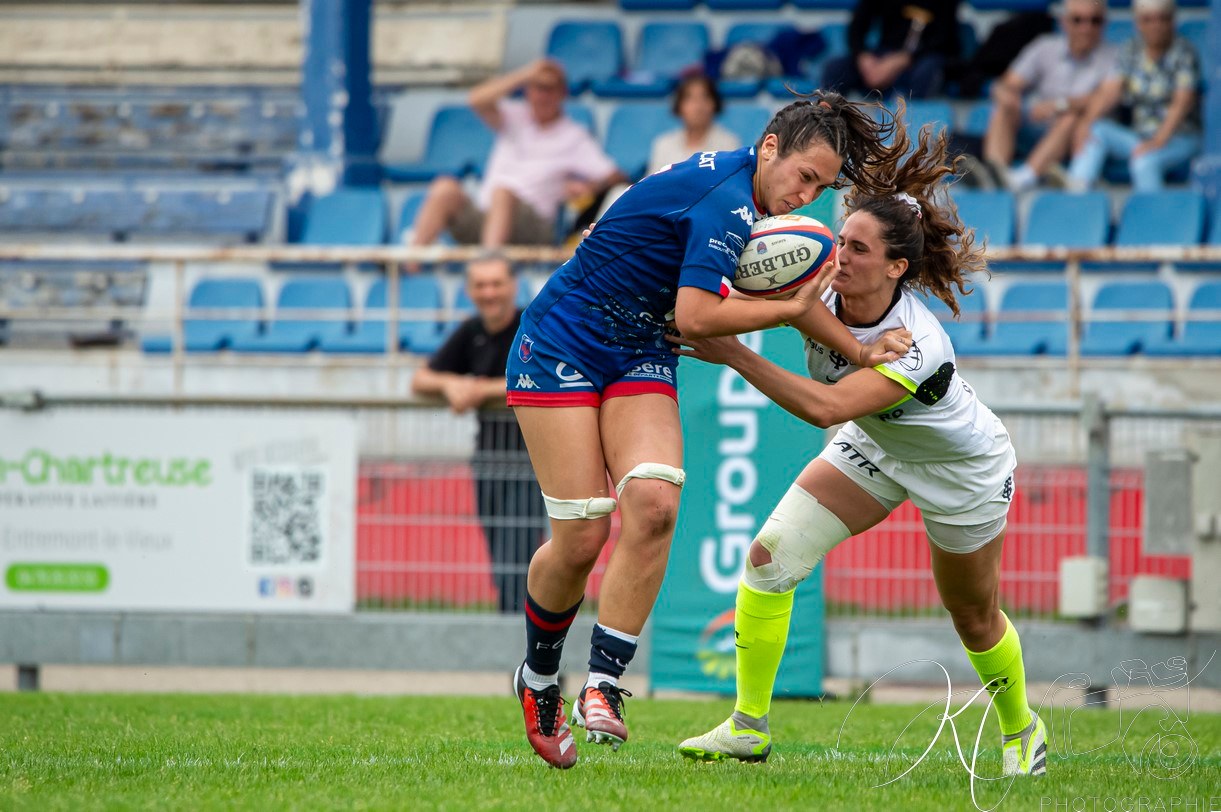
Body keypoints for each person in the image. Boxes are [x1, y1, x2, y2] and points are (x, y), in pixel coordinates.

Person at [506, 91, 913, 770]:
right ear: (769, 147)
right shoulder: (722, 202)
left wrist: (856, 347)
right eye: (802, 176)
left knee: (657, 501)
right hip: (562, 343)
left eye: (819, 185)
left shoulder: (750, 199)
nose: (805, 194)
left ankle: (603, 683)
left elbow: (775, 300)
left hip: (637, 345)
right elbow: (699, 318)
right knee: (581, 535)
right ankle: (540, 680)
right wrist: (788, 314)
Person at [674, 123, 1047, 778]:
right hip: (873, 445)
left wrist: (730, 352)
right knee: (767, 559)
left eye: (858, 250)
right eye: (840, 242)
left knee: (971, 615)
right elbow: (730, 291)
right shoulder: (816, 279)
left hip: (962, 471)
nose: (839, 257)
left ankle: (1022, 727)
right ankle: (747, 726)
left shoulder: (915, 341)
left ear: (896, 268)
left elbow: (824, 408)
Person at [410, 256, 546, 613]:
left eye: (496, 283)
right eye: (481, 285)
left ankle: (528, 650)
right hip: (488, 460)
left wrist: (480, 390)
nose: (489, 293)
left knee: (521, 557)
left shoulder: (532, 326)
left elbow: (542, 380)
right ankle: (518, 646)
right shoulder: (471, 331)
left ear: (513, 286)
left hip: (534, 461)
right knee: (502, 559)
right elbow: (420, 379)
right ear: (470, 291)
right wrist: (452, 383)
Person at [408, 59, 624, 251]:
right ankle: (408, 270)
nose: (542, 96)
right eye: (537, 87)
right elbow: (476, 100)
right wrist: (526, 73)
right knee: (444, 188)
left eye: (549, 89)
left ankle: (487, 266)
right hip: (487, 217)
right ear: (527, 90)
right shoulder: (514, 116)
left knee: (503, 192)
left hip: (535, 226)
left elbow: (615, 176)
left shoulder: (574, 136)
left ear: (562, 93)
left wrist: (587, 187)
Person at [981, 0, 1117, 193]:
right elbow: (1006, 84)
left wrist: (1060, 105)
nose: (1086, 28)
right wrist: (1007, 95)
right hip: (1039, 126)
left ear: (1104, 23)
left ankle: (1023, 178)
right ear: (1064, 22)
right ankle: (995, 173)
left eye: (1095, 20)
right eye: (1078, 20)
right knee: (1004, 106)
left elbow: (1103, 98)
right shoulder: (1045, 46)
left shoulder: (1114, 55)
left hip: (1080, 137)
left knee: (1070, 117)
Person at [1065, 0, 1201, 193]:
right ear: (1138, 22)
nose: (1156, 25)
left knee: (1144, 162)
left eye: (1163, 19)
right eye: (1148, 19)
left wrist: (1158, 141)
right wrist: (1085, 123)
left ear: (1173, 21)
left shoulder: (1184, 52)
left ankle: (1153, 215)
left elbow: (1182, 102)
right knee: (1096, 131)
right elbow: (1111, 91)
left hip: (1179, 137)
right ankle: (1077, 192)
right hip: (1140, 135)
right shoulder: (1131, 49)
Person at [821, 0, 962, 99]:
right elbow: (857, 26)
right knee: (836, 68)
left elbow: (944, 39)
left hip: (923, 58)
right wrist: (863, 57)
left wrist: (901, 60)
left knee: (927, 71)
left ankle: (915, 128)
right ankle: (828, 124)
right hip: (884, 54)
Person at [649, 75, 741, 176]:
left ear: (715, 104)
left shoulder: (728, 144)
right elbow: (649, 187)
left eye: (705, 97)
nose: (698, 106)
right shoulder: (663, 144)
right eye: (690, 99)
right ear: (679, 106)